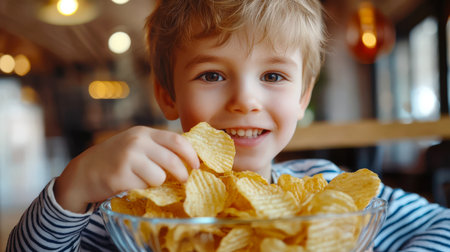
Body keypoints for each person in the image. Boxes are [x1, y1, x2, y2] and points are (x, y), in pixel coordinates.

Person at [7, 0, 449, 251]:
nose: (245, 101)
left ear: (303, 96)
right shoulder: (132, 212)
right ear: (168, 95)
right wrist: (75, 186)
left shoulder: (325, 189)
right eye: (212, 75)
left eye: (273, 76)